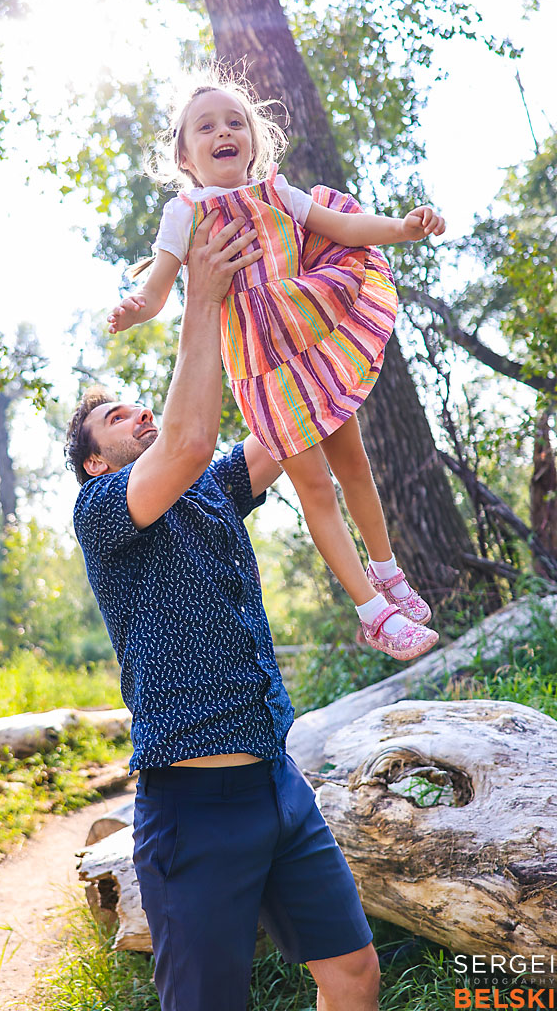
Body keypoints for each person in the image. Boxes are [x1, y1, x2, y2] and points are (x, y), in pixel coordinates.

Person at [66, 210, 380, 1011]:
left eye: (140, 404)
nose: (139, 412)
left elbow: (290, 427)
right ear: (96, 460)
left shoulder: (207, 485)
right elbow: (188, 440)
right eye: (117, 417)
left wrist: (313, 309)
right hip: (191, 808)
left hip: (280, 783)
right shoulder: (102, 510)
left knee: (352, 975)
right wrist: (196, 297)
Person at [106, 68, 446, 660]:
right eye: (205, 127)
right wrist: (137, 309)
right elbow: (159, 287)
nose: (223, 132)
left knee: (356, 466)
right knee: (315, 484)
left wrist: (402, 228)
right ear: (185, 156)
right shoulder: (184, 212)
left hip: (310, 345)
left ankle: (388, 571)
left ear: (254, 141)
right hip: (263, 371)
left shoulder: (277, 193)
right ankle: (372, 613)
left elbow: (341, 226)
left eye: (235, 122)